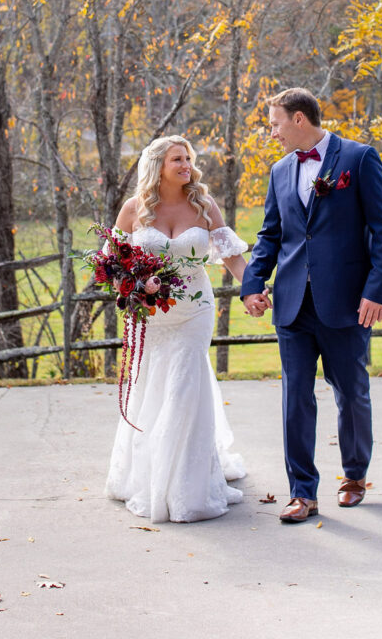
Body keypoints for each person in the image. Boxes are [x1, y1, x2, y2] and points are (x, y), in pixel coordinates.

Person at [241, 88, 382, 523]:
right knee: (296, 397)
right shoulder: (278, 171)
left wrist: (376, 292)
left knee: (350, 392)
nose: (271, 133)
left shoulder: (359, 158)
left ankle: (353, 477)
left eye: (274, 124)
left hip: (347, 302)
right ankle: (302, 493)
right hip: (292, 303)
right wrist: (253, 283)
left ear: (297, 119)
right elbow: (272, 234)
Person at [105, 135, 249, 523]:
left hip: (194, 311)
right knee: (153, 387)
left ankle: (187, 486)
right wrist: (136, 286)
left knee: (185, 387)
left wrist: (252, 290)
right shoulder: (135, 209)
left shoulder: (203, 206)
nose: (186, 165)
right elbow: (112, 266)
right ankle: (148, 474)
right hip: (151, 315)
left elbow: (231, 255)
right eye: (177, 159)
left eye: (187, 158)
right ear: (158, 165)